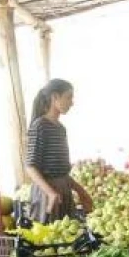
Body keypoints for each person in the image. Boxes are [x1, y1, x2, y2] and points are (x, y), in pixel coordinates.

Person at [24, 79, 92, 222]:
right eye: (69, 97)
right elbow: (30, 166)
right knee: (49, 238)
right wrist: (50, 193)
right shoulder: (40, 126)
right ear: (55, 97)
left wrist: (80, 190)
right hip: (46, 194)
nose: (72, 103)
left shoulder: (60, 129)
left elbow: (61, 171)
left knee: (67, 236)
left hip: (63, 190)